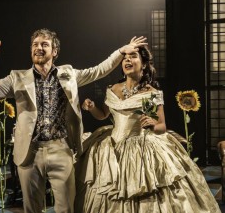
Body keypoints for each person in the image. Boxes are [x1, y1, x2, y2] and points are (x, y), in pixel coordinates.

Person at [0, 28, 147, 213]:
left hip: (61, 149)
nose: (39, 48)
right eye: (35, 44)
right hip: (29, 152)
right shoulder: (17, 77)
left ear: (55, 51)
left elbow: (99, 70)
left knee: (66, 208)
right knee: (31, 209)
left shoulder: (69, 74)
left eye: (44, 44)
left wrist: (121, 51)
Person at [79, 45, 221, 213]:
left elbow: (162, 126)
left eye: (133, 56)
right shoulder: (112, 89)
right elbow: (103, 115)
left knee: (147, 190)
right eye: (125, 58)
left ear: (144, 64)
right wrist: (92, 107)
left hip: (142, 145)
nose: (128, 60)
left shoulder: (152, 93)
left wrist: (153, 125)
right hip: (112, 146)